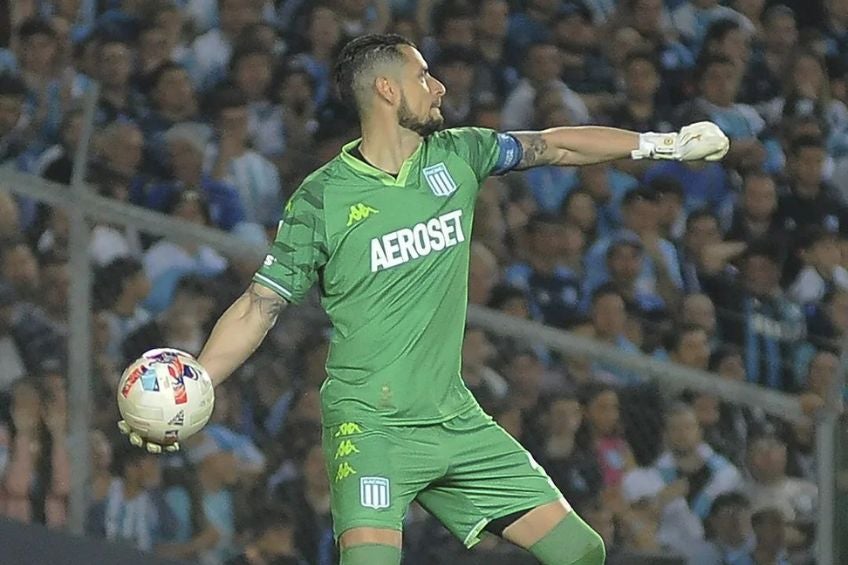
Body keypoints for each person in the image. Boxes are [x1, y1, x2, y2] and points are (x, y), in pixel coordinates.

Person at [118, 33, 729, 565]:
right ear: (386, 90)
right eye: (423, 76)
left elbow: (553, 145)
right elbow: (260, 304)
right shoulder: (323, 196)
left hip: (455, 416)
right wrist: (197, 381)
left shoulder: (459, 154)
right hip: (371, 423)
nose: (438, 87)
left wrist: (661, 144)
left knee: (580, 551)